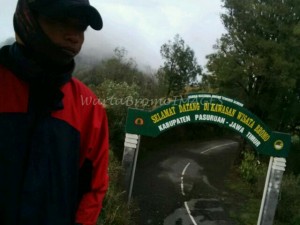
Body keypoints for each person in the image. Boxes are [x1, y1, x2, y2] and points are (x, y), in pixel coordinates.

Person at [0, 0, 109, 225]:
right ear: (27, 16)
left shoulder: (89, 108)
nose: (74, 36)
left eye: (81, 27)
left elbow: (94, 188)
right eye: (61, 20)